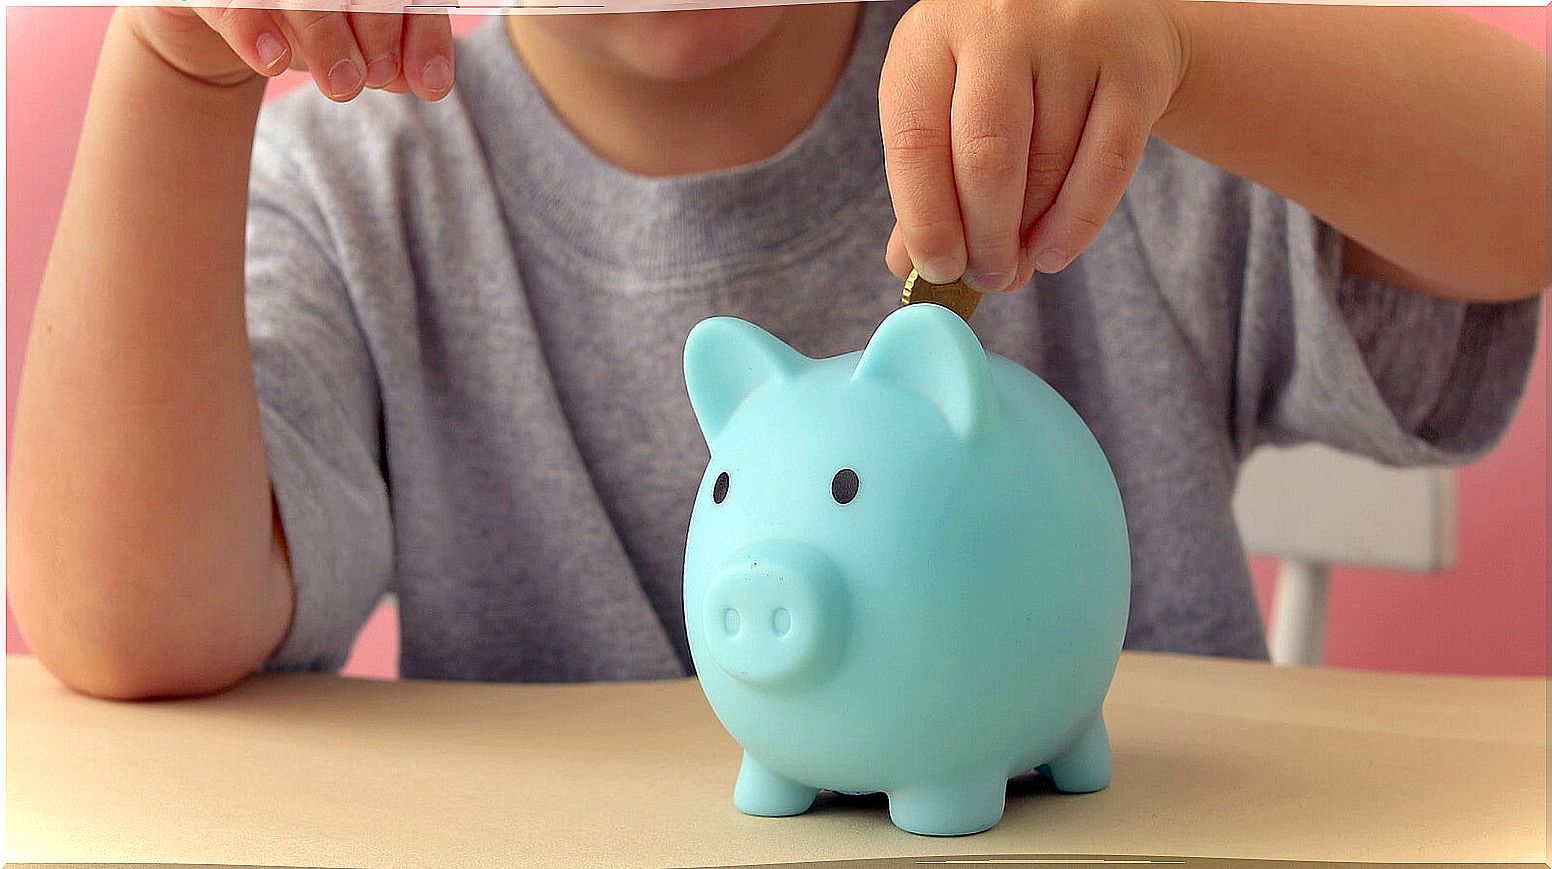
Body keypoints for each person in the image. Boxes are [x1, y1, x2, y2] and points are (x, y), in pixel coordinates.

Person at [8, 0, 1543, 698]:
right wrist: (173, 71)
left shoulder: (1079, 98)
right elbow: (128, 626)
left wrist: (1186, 41)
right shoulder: (360, 198)